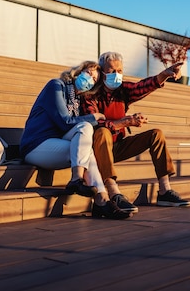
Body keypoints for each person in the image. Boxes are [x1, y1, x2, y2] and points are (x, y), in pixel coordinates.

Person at [80, 51, 190, 213]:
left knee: (156, 134)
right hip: (98, 149)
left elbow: (142, 87)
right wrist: (126, 122)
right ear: (102, 73)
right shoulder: (91, 93)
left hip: (118, 146)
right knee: (103, 131)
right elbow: (95, 123)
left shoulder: (122, 90)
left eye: (119, 71)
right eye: (112, 71)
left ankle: (164, 190)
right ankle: (113, 192)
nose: (116, 75)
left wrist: (164, 75)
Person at [19, 60, 130, 220]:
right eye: (88, 73)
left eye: (93, 79)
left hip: (56, 143)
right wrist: (93, 117)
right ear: (78, 71)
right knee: (85, 128)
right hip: (36, 145)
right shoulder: (56, 86)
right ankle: (88, 190)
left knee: (85, 137)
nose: (89, 79)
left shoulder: (78, 102)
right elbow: (64, 122)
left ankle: (100, 197)